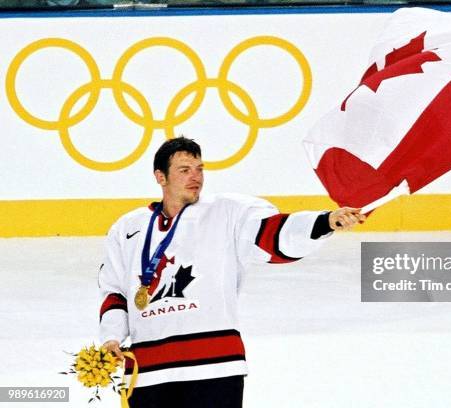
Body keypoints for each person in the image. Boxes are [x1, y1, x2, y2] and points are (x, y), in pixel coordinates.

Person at [98, 136, 364, 407]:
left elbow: (274, 233)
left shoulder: (229, 212)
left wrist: (324, 222)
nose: (196, 177)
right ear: (160, 177)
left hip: (214, 367)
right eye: (184, 170)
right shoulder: (127, 227)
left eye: (200, 169)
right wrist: (111, 337)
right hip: (148, 373)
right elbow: (115, 291)